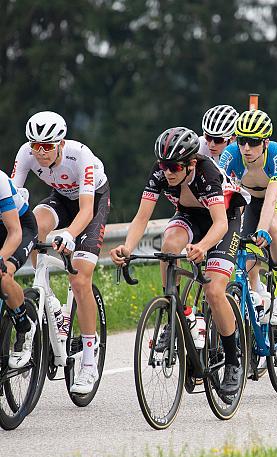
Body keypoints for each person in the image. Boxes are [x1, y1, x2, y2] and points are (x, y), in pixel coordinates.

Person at [110, 127, 249, 393]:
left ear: (191, 164)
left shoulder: (207, 173)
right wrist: (127, 247)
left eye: (174, 167)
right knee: (170, 244)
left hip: (225, 220)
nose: (168, 172)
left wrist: (203, 246)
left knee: (213, 290)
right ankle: (176, 311)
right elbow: (142, 217)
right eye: (164, 166)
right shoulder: (160, 173)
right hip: (189, 215)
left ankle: (233, 361)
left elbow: (219, 223)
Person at [12, 111, 110, 394]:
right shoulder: (26, 153)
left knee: (79, 280)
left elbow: (87, 210)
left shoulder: (81, 156)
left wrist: (69, 234)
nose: (40, 152)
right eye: (35, 145)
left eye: (47, 146)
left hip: (91, 202)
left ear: (60, 142)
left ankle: (89, 362)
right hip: (60, 199)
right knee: (32, 222)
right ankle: (47, 297)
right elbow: (13, 193)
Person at [219, 110, 277, 326]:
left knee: (273, 227)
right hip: (253, 202)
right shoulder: (230, 155)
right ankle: (259, 297)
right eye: (242, 141)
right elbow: (222, 196)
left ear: (265, 142)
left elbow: (272, 198)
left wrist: (263, 229)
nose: (246, 148)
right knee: (249, 258)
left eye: (254, 142)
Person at [0, 170, 38, 369]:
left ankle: (25, 325)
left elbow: (14, 232)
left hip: (20, 228)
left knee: (3, 276)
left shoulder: (0, 182)